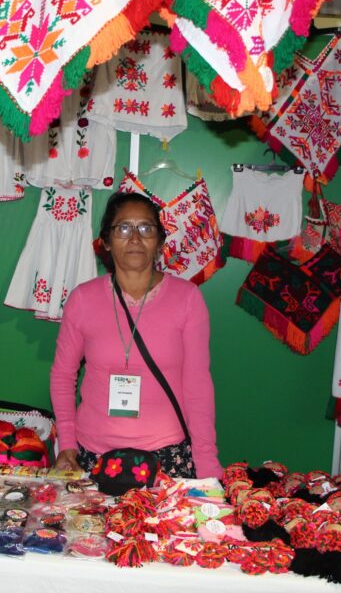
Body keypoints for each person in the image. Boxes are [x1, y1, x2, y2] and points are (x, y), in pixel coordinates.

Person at [49, 191, 224, 479]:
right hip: (92, 457)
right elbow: (62, 375)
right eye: (123, 228)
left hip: (167, 459)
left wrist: (206, 463)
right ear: (106, 241)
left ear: (159, 241)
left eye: (145, 228)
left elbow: (198, 386)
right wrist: (66, 443)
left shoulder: (187, 299)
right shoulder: (83, 299)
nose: (134, 238)